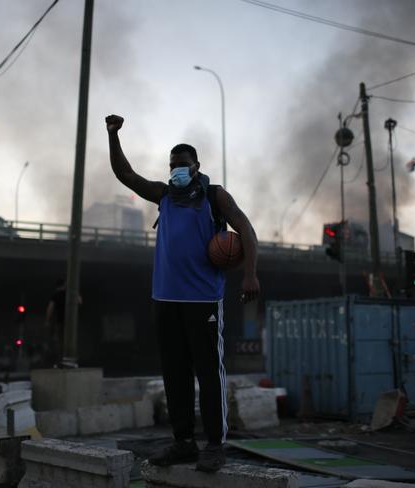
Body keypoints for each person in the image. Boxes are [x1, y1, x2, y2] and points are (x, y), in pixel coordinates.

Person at [105, 114, 260, 472]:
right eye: (172, 165)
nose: (177, 170)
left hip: (203, 299)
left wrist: (250, 274)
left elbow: (246, 229)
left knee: (208, 372)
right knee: (174, 373)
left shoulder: (214, 196)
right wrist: (113, 135)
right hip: (165, 299)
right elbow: (125, 174)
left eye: (182, 165)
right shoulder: (163, 195)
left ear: (196, 166)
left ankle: (216, 445)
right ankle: (183, 442)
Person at [44, 278, 82, 367]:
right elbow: (80, 302)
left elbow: (50, 308)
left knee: (60, 341)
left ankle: (61, 360)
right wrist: (75, 292)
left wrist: (47, 320)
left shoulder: (55, 295)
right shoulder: (70, 294)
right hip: (71, 322)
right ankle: (72, 360)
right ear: (64, 285)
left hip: (60, 321)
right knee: (72, 340)